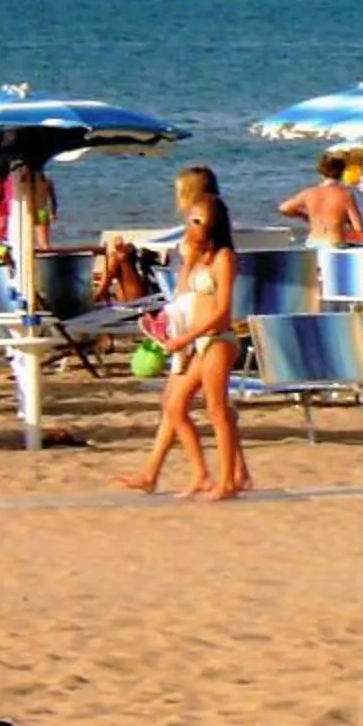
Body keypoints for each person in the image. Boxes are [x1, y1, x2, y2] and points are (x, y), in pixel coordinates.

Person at [119, 191, 247, 500]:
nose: (191, 226)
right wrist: (188, 260)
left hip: (217, 339)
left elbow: (222, 310)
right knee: (175, 406)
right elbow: (182, 294)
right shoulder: (200, 258)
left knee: (216, 410)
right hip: (196, 340)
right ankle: (201, 473)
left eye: (198, 221)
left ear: (213, 224)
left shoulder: (224, 258)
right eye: (189, 220)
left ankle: (228, 480)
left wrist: (187, 338)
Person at [279, 152, 363, 248]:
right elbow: (358, 228)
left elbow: (284, 208)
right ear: (342, 172)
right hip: (334, 243)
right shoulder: (345, 195)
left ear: (321, 172)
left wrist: (304, 216)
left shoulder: (309, 193)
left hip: (313, 242)